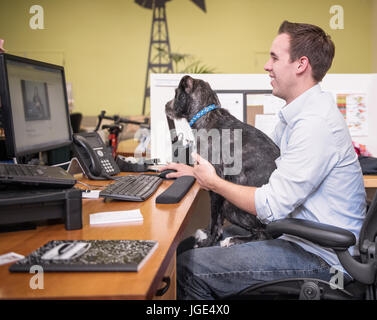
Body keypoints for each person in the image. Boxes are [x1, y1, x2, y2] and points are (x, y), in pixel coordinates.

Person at [160, 21, 366, 299]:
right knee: (186, 248)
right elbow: (263, 168)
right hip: (300, 240)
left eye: (274, 57)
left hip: (325, 260)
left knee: (187, 267)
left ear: (300, 64)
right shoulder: (297, 116)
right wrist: (194, 171)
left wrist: (215, 182)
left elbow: (270, 205)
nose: (267, 66)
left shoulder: (315, 124)